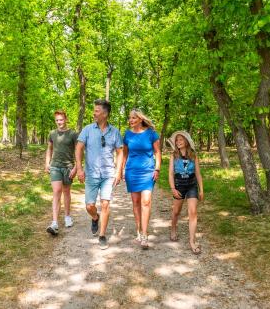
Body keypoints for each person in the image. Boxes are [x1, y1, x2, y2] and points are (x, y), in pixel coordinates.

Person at [75, 99, 123, 250]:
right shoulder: (87, 129)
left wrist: (119, 171)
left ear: (105, 113)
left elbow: (120, 152)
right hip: (91, 173)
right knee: (89, 206)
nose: (94, 113)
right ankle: (95, 218)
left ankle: (102, 235)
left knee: (105, 203)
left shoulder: (114, 132)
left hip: (108, 174)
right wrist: (79, 168)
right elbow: (78, 149)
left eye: (97, 111)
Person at [122, 109, 161, 249]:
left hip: (148, 172)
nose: (131, 120)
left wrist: (157, 168)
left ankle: (145, 234)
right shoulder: (127, 134)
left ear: (140, 119)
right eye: (129, 118)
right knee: (136, 202)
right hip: (132, 171)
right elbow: (125, 155)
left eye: (133, 118)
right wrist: (121, 170)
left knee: (146, 201)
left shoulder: (151, 133)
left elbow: (157, 152)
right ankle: (138, 230)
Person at [167, 131, 204, 255]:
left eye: (180, 140)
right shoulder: (174, 155)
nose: (178, 142)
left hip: (192, 186)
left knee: (192, 212)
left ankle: (192, 241)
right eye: (177, 140)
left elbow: (198, 173)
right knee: (176, 211)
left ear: (186, 141)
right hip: (179, 186)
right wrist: (173, 188)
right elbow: (171, 174)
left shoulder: (193, 155)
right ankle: (173, 228)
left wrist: (201, 189)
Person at [45, 110, 78, 236]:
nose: (59, 122)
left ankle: (67, 216)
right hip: (55, 166)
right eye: (57, 120)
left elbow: (78, 151)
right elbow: (49, 149)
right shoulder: (52, 134)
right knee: (56, 191)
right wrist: (47, 163)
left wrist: (76, 167)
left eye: (61, 119)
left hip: (68, 167)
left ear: (66, 119)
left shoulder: (73, 134)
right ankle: (54, 222)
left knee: (66, 192)